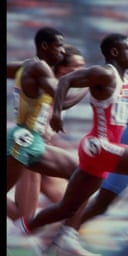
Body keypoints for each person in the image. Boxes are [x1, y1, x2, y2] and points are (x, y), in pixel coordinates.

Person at [15, 33, 128, 256]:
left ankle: (23, 230)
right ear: (114, 53)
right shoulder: (103, 73)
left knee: (68, 208)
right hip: (99, 145)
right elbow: (65, 81)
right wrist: (58, 113)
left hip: (103, 151)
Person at [7, 44, 87, 222]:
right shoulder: (47, 84)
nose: (83, 72)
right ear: (64, 69)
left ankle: (62, 239)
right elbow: (64, 102)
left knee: (73, 207)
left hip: (44, 150)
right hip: (29, 149)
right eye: (77, 68)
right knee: (25, 219)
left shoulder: (56, 85)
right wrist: (87, 87)